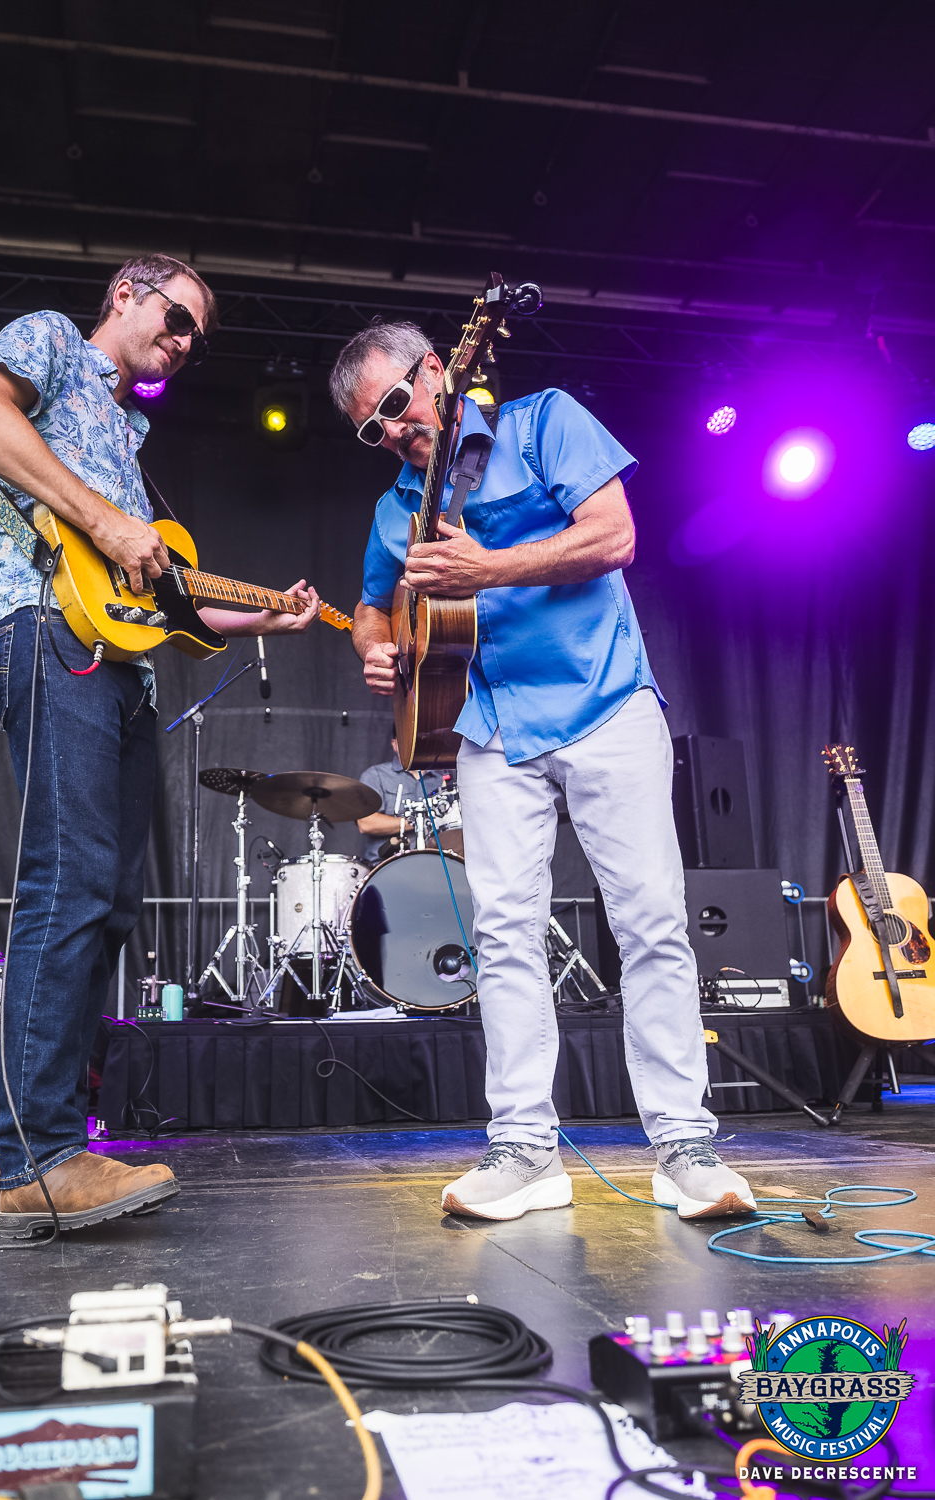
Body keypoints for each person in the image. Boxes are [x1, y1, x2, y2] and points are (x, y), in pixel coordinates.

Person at [331, 320, 756, 1224]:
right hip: (487, 729)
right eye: (374, 430)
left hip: (606, 704)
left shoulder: (544, 423)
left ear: (438, 368)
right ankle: (524, 1151)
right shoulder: (394, 509)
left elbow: (613, 538)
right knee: (506, 937)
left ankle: (684, 1144)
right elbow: (371, 609)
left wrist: (488, 568)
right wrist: (377, 649)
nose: (398, 432)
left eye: (400, 405)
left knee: (650, 924)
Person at [0, 254, 319, 1238]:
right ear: (127, 294)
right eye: (180, 319)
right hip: (44, 632)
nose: (188, 345)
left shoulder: (129, 438)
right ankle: (37, 1161)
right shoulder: (50, 344)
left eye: (200, 336)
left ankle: (38, 1144)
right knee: (66, 882)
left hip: (118, 665)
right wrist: (106, 517)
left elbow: (162, 607)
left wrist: (266, 618)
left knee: (105, 898)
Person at [357, 735, 448, 863]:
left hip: (433, 865)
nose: (417, 745)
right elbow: (366, 823)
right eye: (410, 738)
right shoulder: (376, 775)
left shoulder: (442, 780)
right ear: (394, 744)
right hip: (386, 865)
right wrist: (419, 820)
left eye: (422, 740)